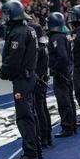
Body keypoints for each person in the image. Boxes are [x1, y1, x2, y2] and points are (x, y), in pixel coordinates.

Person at [0, 0, 40, 159]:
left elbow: (14, 59)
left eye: (6, 14)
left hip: (22, 79)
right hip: (30, 76)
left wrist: (3, 71)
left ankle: (30, 152)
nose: (4, 17)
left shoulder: (18, 33)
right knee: (31, 113)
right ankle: (36, 147)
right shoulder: (30, 30)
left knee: (24, 116)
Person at [46, 12, 77, 138]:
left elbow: (62, 56)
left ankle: (67, 127)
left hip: (61, 74)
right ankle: (72, 124)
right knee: (69, 99)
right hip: (67, 72)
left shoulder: (56, 38)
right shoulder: (64, 35)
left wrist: (55, 68)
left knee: (63, 100)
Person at [30, 19, 52, 147]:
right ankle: (47, 135)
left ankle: (43, 136)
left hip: (38, 82)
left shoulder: (38, 49)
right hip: (43, 80)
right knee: (43, 108)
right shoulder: (43, 47)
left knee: (39, 110)